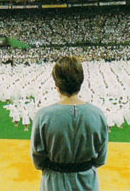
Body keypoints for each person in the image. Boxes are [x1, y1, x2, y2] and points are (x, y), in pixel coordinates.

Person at [31, 56, 108, 191]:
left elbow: (38, 160)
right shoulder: (98, 114)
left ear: (57, 85)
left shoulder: (43, 115)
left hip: (54, 183)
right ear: (80, 82)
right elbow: (101, 159)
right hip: (87, 181)